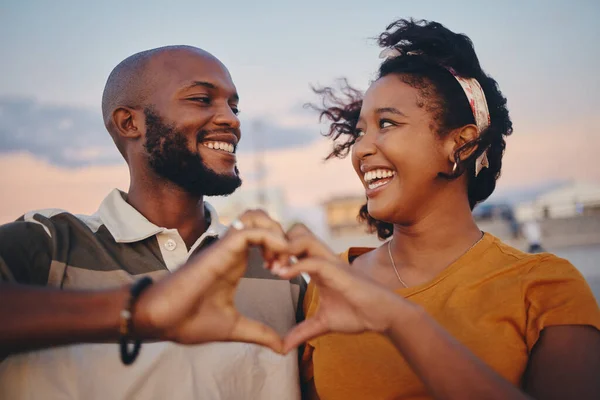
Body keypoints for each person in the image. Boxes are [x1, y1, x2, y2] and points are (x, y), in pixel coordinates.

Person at [280, 19, 600, 400]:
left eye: (386, 123)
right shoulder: (328, 285)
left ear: (461, 144)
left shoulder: (546, 288)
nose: (361, 149)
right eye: (360, 131)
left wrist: (399, 319)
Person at [0, 46, 305, 400]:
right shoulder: (50, 242)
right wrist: (140, 311)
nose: (232, 120)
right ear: (130, 123)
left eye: (233, 107)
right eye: (202, 99)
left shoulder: (277, 268)